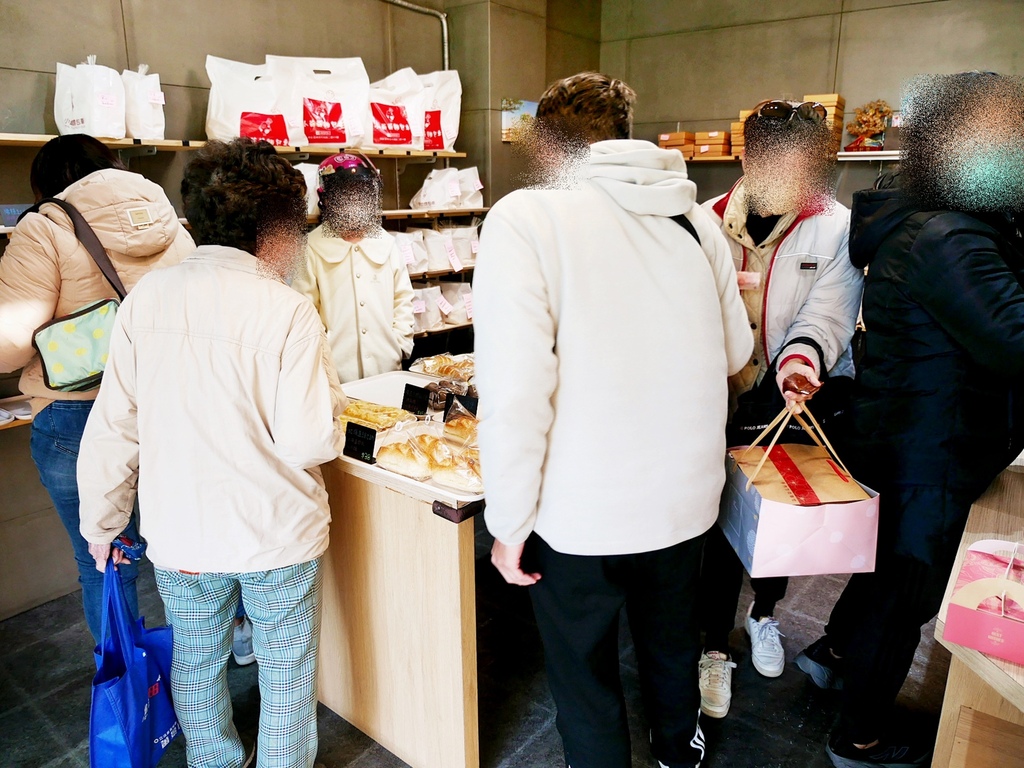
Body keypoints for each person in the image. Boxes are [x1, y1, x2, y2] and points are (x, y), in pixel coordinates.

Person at [474, 71, 753, 768]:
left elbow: (516, 393)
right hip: (683, 496)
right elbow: (736, 353)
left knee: (582, 666)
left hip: (580, 508)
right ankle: (678, 751)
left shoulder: (524, 219)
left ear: (549, 145)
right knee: (671, 639)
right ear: (625, 137)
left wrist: (508, 524)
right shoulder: (695, 220)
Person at [77, 137, 347, 768]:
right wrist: (336, 411)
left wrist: (101, 525)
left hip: (184, 534)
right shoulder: (288, 309)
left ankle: (215, 760)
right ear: (277, 229)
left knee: (197, 661)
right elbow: (308, 441)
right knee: (286, 670)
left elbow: (115, 425)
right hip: (276, 532)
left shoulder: (147, 299)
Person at [793, 71, 1024, 768]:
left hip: (907, 431)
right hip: (934, 447)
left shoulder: (923, 218)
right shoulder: (949, 235)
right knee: (902, 599)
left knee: (883, 574)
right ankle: (859, 737)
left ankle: (832, 655)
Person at [695, 100, 863, 718]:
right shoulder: (703, 221)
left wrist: (800, 365)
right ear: (747, 159)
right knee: (715, 525)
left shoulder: (836, 228)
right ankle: (714, 645)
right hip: (716, 395)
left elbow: (828, 312)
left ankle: (764, 614)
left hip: (791, 396)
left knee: (778, 517)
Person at [0, 134, 194, 644]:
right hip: (170, 401)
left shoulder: (46, 227)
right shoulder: (165, 214)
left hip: (78, 413)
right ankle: (202, 669)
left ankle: (130, 681)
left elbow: (8, 348)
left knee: (105, 560)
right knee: (188, 549)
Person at [291, 152, 414, 383]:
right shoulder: (310, 248)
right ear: (326, 199)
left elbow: (403, 299)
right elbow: (305, 311)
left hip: (387, 368)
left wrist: (400, 344)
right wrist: (320, 358)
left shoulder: (386, 244)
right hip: (335, 375)